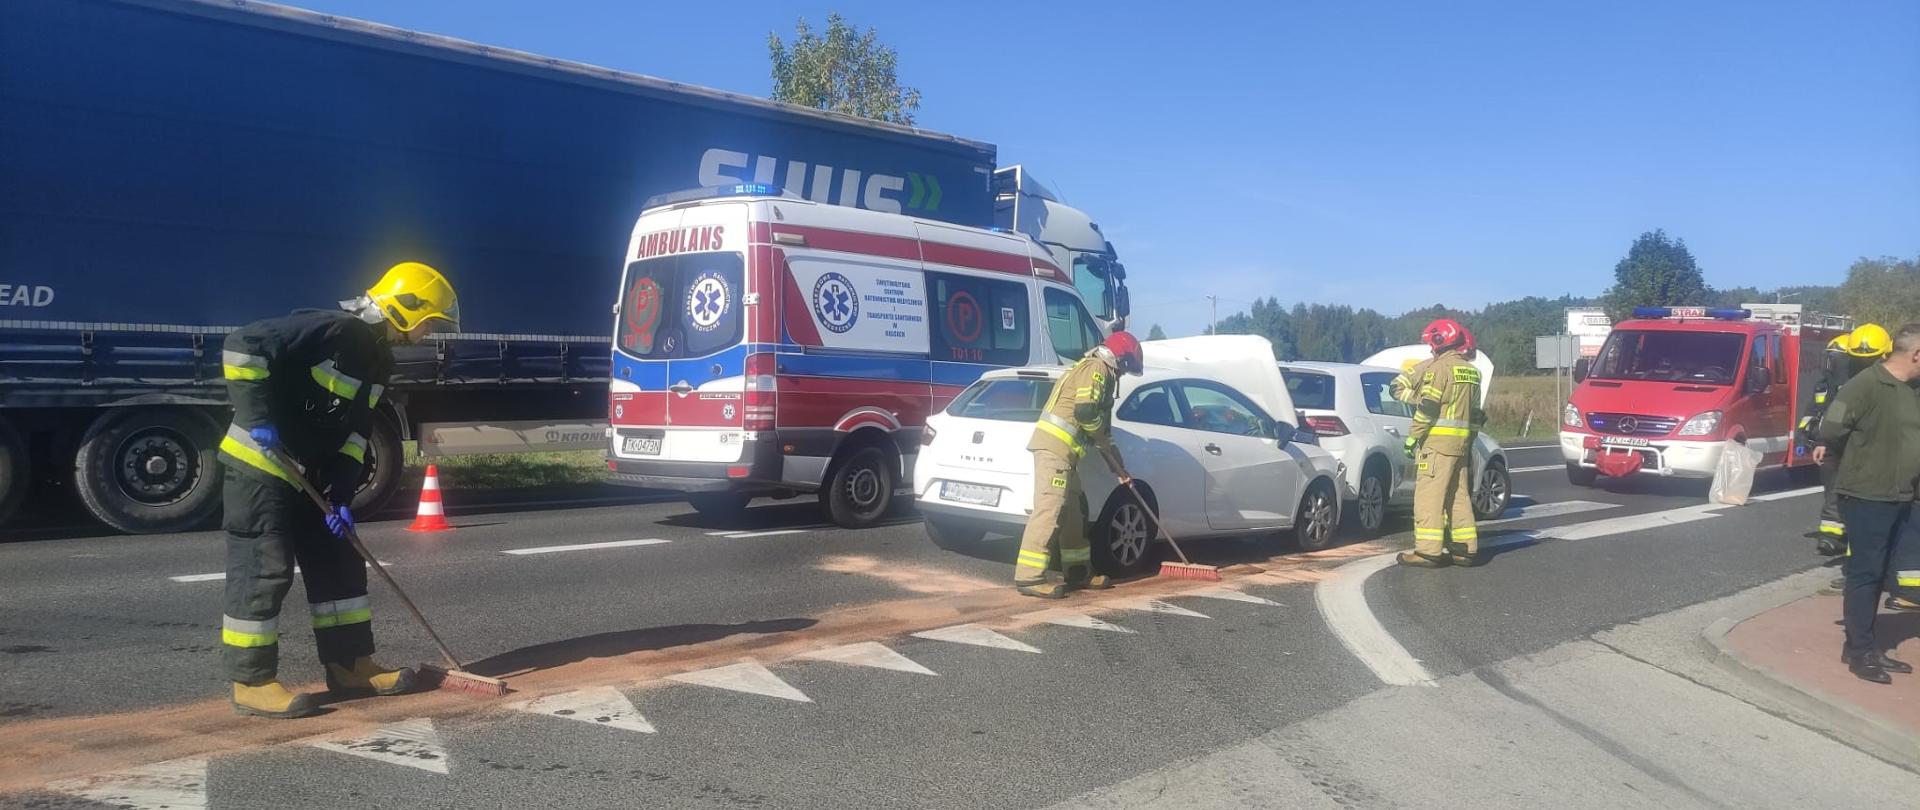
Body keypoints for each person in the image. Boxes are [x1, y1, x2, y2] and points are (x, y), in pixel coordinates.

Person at [219, 262, 460, 718]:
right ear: (405, 309)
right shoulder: (332, 329)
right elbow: (243, 347)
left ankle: (351, 665)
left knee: (339, 560)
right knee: (264, 569)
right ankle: (251, 681)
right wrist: (258, 419)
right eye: (430, 322)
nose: (430, 333)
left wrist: (342, 497)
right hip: (260, 466)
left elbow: (356, 432)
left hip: (308, 474)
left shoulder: (379, 360)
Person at [1816, 322, 1920, 684]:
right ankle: (1859, 652)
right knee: (1864, 574)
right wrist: (1865, 455)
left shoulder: (1909, 389)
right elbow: (1831, 430)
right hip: (1867, 496)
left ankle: (1866, 645)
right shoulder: (1866, 385)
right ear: (1916, 354)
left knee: (1880, 575)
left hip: (1900, 496)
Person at [1015, 331, 1145, 599]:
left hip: (1065, 454)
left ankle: (1077, 572)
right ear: (1119, 358)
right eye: (1125, 368)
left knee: (1074, 511)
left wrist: (1117, 466)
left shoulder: (1101, 371)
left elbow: (1099, 427)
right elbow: (1085, 412)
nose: (1123, 374)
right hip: (1054, 450)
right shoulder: (1097, 369)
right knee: (1049, 509)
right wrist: (1105, 445)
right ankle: (1028, 577)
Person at [1392, 319, 1485, 568]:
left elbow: (1429, 407)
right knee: (1458, 495)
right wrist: (1470, 439)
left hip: (1436, 444)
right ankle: (1464, 548)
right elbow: (1476, 414)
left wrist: (1414, 435)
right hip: (1461, 445)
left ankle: (1428, 551)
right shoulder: (1472, 372)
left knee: (1428, 497)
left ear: (1439, 341)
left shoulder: (1438, 370)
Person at [1805, 324, 1892, 556]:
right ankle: (1849, 556)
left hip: (1880, 454)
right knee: (1851, 501)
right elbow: (1835, 411)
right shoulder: (1848, 383)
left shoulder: (1899, 382)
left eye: (1870, 359)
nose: (1864, 365)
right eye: (1857, 359)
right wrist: (1823, 441)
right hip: (1851, 450)